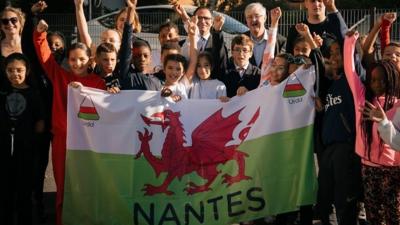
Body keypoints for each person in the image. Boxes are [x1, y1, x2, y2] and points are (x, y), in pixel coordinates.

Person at [34, 19, 106, 225]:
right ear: (68, 60)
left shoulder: (98, 83)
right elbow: (45, 58)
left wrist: (113, 95)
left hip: (88, 145)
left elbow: (109, 111)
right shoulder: (59, 76)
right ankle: (62, 220)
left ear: (89, 59)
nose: (77, 63)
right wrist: (39, 34)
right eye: (73, 59)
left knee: (87, 185)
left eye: (81, 59)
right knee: (63, 186)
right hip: (62, 143)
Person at [344, 31, 400, 225]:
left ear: (392, 79)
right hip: (368, 168)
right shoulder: (362, 99)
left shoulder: (398, 104)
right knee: (374, 215)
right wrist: (349, 43)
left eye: (382, 80)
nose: (377, 84)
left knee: (394, 216)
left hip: (393, 170)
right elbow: (350, 71)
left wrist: (383, 121)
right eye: (373, 79)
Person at [0, 53, 45, 225]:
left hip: (25, 151)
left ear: (27, 71)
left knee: (24, 192)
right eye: (10, 70)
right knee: (5, 192)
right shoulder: (3, 91)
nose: (15, 74)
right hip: (4, 151)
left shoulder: (33, 94)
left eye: (19, 70)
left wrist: (30, 140)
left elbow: (40, 121)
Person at [174, 4, 228, 79]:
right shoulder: (183, 43)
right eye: (199, 18)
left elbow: (221, 66)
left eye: (206, 18)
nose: (202, 21)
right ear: (194, 19)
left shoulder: (217, 43)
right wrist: (184, 15)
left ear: (212, 22)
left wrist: (217, 31)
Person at [118, 2, 162, 91]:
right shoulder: (128, 76)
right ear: (132, 59)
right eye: (137, 56)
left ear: (151, 58)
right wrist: (131, 9)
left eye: (145, 55)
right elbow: (126, 48)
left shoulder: (157, 81)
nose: (142, 59)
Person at [243, 2, 286, 68]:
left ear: (264, 18)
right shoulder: (241, 40)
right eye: (250, 17)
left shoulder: (280, 41)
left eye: (257, 16)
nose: (253, 20)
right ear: (246, 20)